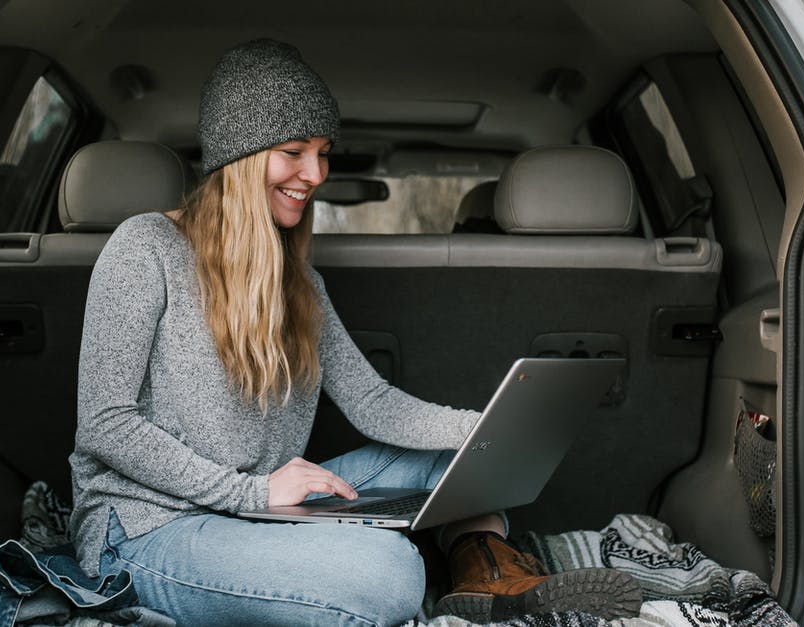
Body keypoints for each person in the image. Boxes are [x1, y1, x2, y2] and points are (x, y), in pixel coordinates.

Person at [66, 39, 641, 626]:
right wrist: (252, 496)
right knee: (387, 575)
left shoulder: (301, 282)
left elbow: (371, 401)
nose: (314, 174)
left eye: (322, 153)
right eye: (293, 152)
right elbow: (106, 423)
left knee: (461, 465)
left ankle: (487, 577)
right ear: (238, 158)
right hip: (147, 528)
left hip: (258, 506)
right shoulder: (145, 249)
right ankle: (399, 570)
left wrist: (480, 429)